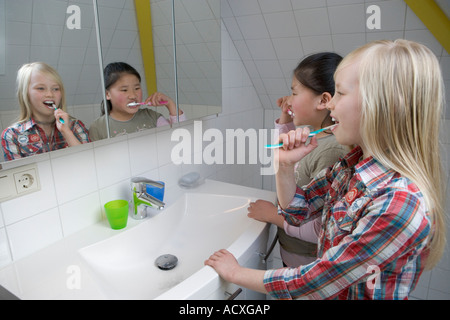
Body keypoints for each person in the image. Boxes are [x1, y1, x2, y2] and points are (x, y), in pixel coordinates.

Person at [205, 39, 446, 300]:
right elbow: (298, 210)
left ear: (384, 106)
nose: (331, 105)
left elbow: (316, 280)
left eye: (340, 93)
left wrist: (236, 273)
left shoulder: (399, 205)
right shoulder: (349, 168)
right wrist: (284, 166)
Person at [247, 52, 348, 267]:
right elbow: (282, 164)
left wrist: (274, 215)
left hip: (307, 259)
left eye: (294, 92)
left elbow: (322, 229)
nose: (289, 99)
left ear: (323, 100)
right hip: (292, 249)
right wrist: (285, 120)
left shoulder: (330, 152)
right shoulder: (315, 137)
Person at [1, 62, 90, 161]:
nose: (50, 94)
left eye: (55, 89)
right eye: (41, 88)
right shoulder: (12, 135)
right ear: (25, 94)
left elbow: (89, 162)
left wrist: (67, 132)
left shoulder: (75, 126)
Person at [89, 62, 185, 141]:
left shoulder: (152, 117)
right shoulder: (98, 127)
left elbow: (181, 139)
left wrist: (170, 104)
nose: (133, 95)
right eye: (124, 90)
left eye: (137, 88)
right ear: (107, 94)